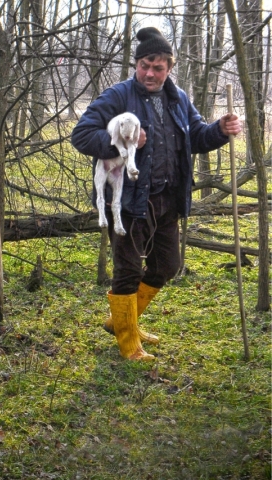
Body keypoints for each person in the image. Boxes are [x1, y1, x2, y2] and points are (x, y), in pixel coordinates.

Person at [71, 27, 242, 361]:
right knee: (128, 269)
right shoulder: (118, 97)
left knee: (167, 264)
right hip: (129, 200)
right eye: (145, 65)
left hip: (168, 198)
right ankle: (127, 341)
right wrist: (122, 144)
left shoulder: (177, 99)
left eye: (158, 67)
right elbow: (82, 136)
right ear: (136, 64)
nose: (150, 73)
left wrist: (219, 130)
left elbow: (197, 137)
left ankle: (123, 321)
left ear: (168, 68)